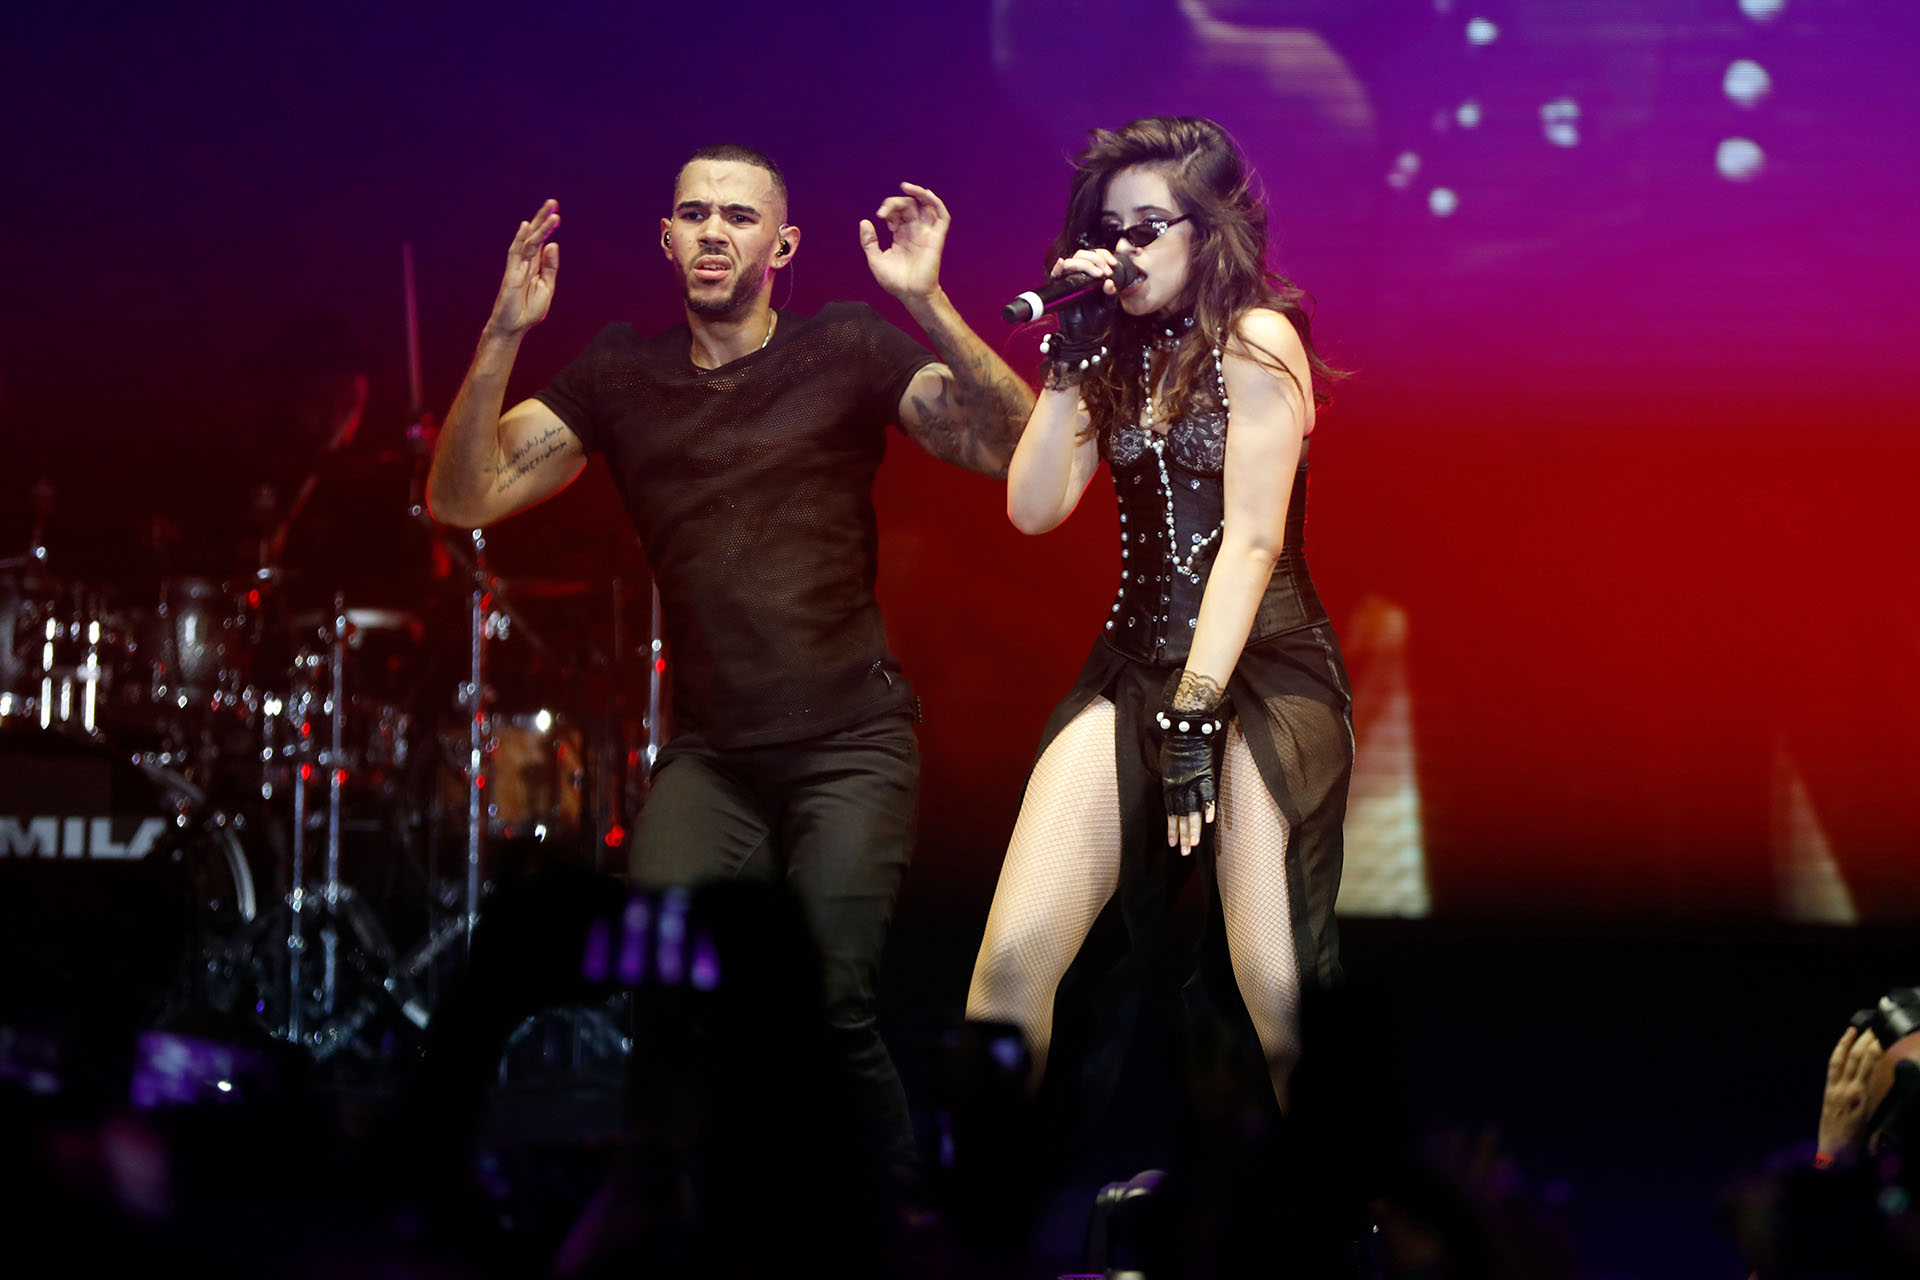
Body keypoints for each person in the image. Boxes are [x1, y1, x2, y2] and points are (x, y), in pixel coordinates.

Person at [425, 143, 1034, 1182]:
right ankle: (682, 1223)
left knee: (827, 1005)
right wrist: (504, 331)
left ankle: (899, 1228)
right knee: (666, 997)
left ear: (781, 246)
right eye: (696, 213)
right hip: (714, 758)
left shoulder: (844, 343)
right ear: (666, 239)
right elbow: (461, 496)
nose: (715, 231)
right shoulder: (620, 372)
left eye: (740, 216)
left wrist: (924, 300)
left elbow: (1012, 446)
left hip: (851, 742)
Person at [966, 116, 1350, 1112]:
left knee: (1276, 987)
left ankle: (1332, 1192)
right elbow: (1033, 508)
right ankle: (988, 1191)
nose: (1123, 250)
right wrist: (1066, 360)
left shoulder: (1257, 339)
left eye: (1147, 228)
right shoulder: (1111, 351)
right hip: (1135, 665)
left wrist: (1196, 707)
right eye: (1109, 229)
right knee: (1010, 961)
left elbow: (1253, 543)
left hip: (1259, 670)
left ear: (1207, 231)